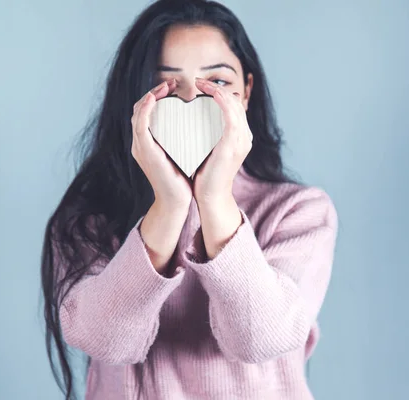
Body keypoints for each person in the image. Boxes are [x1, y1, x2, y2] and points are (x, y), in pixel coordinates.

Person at [41, 0, 338, 399]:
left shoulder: (299, 213)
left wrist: (214, 197)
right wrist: (169, 205)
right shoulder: (91, 218)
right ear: (136, 100)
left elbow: (260, 341)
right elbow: (106, 342)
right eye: (166, 86)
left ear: (246, 92)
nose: (193, 104)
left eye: (216, 83)